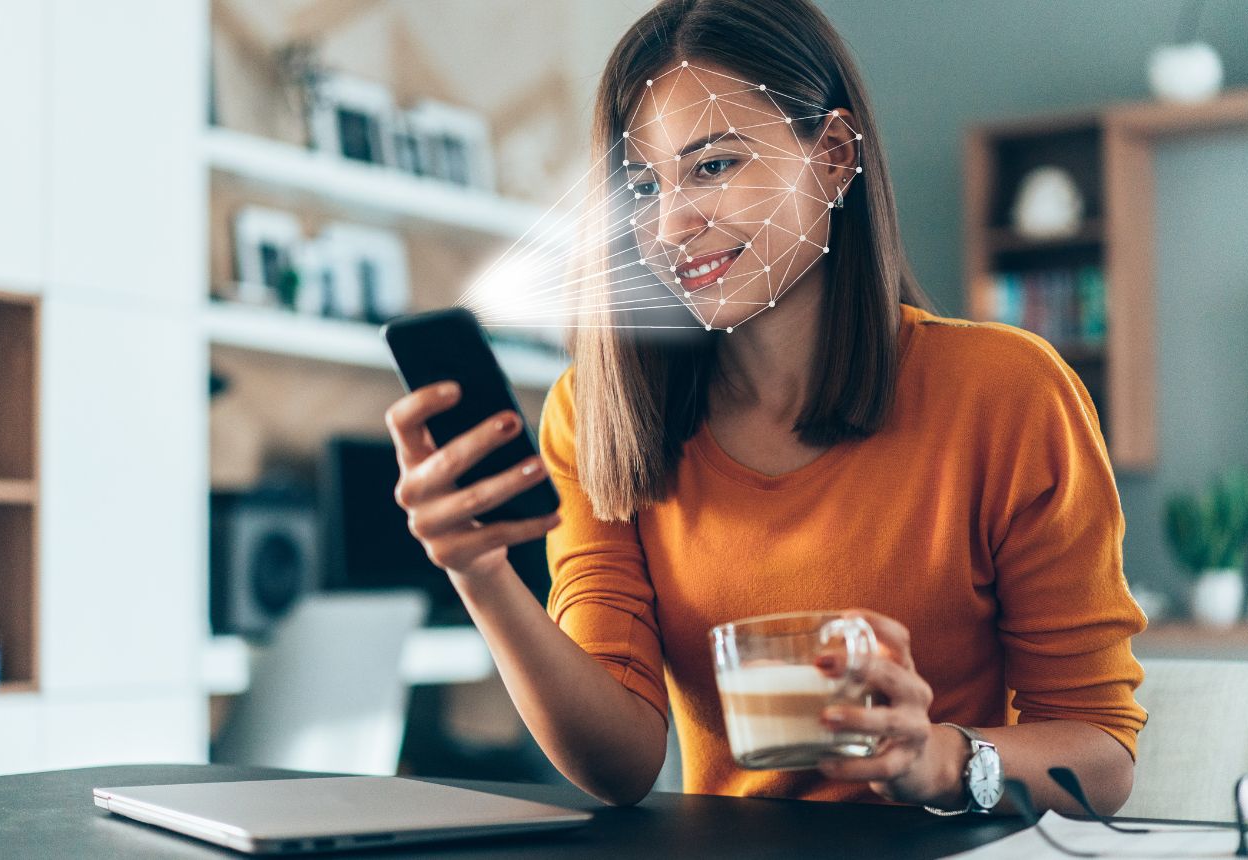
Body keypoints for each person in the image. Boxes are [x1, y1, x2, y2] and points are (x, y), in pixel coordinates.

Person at [385, 0, 1146, 814]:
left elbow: (1102, 757)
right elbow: (620, 765)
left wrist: (942, 759)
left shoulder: (1006, 392)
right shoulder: (600, 417)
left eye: (713, 165)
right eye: (643, 185)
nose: (672, 223)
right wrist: (479, 574)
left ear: (833, 156)